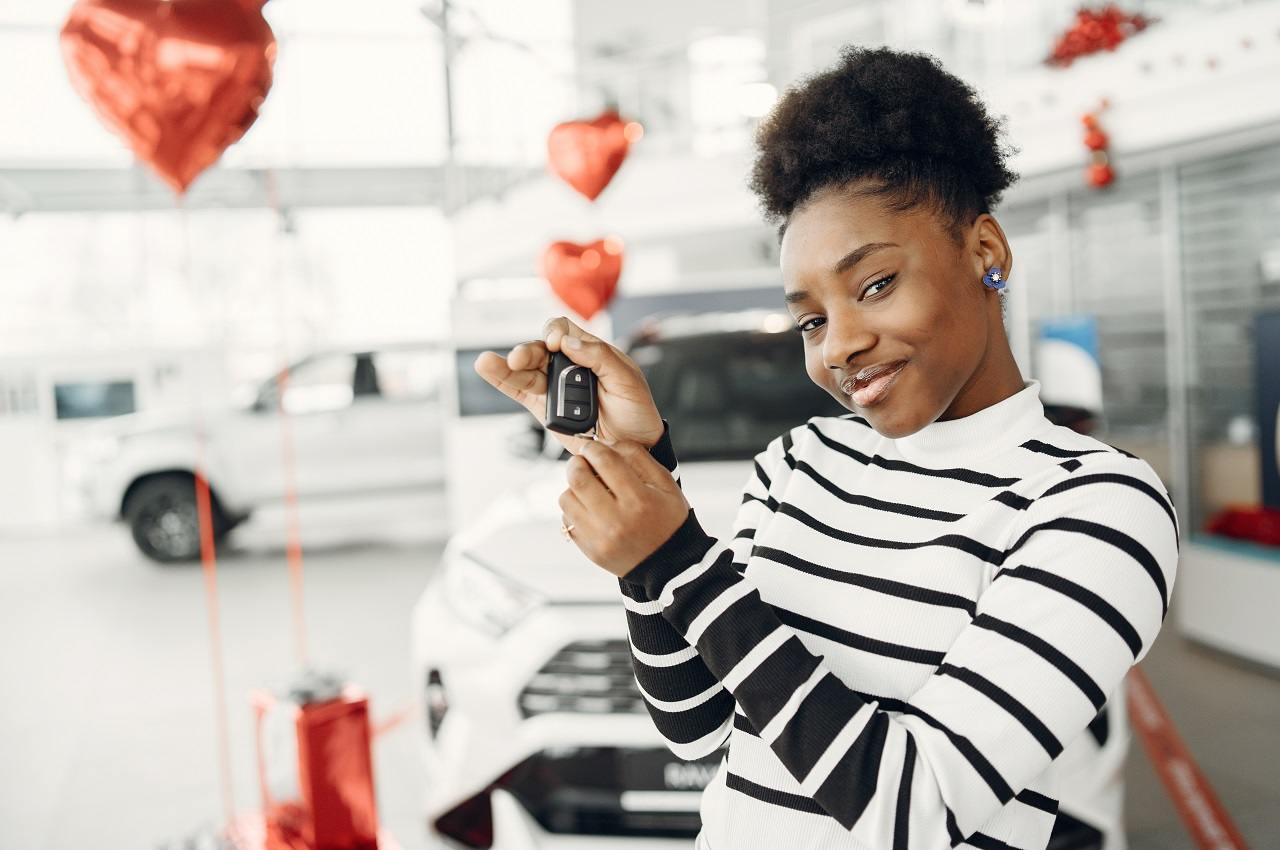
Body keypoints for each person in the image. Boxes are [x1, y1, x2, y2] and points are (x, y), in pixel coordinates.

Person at [474, 45, 1177, 850]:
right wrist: (643, 483)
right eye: (811, 319)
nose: (838, 344)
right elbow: (700, 729)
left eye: (875, 284)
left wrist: (673, 558)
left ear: (986, 251)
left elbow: (914, 810)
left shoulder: (1096, 505)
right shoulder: (802, 461)